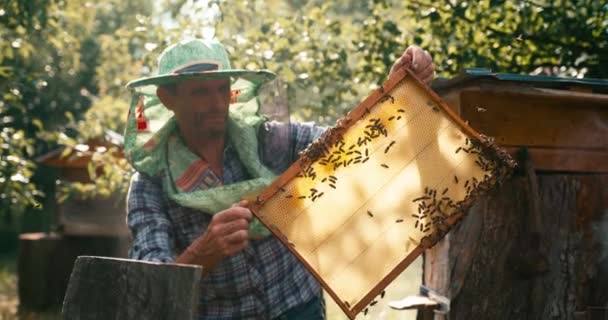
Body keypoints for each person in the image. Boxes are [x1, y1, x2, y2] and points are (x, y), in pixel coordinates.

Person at [124, 38, 434, 319]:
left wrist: (396, 91)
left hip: (298, 305)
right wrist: (203, 252)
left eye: (222, 89)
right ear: (167, 99)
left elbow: (345, 142)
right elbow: (152, 289)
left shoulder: (267, 139)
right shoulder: (149, 185)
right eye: (200, 93)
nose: (217, 103)